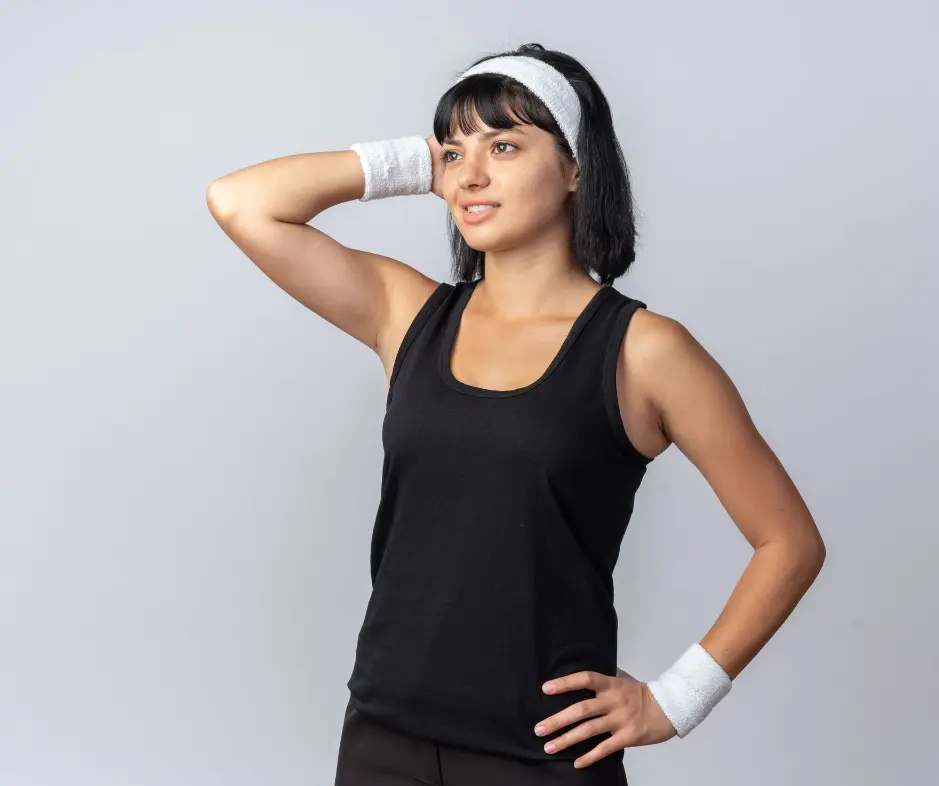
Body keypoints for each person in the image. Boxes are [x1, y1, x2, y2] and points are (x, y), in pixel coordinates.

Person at [206, 43, 826, 786]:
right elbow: (242, 203)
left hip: (544, 757)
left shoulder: (643, 352)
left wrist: (673, 701)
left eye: (504, 146)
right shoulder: (408, 315)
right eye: (455, 149)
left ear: (575, 169)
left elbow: (788, 542)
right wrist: (417, 159)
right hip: (383, 736)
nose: (470, 173)